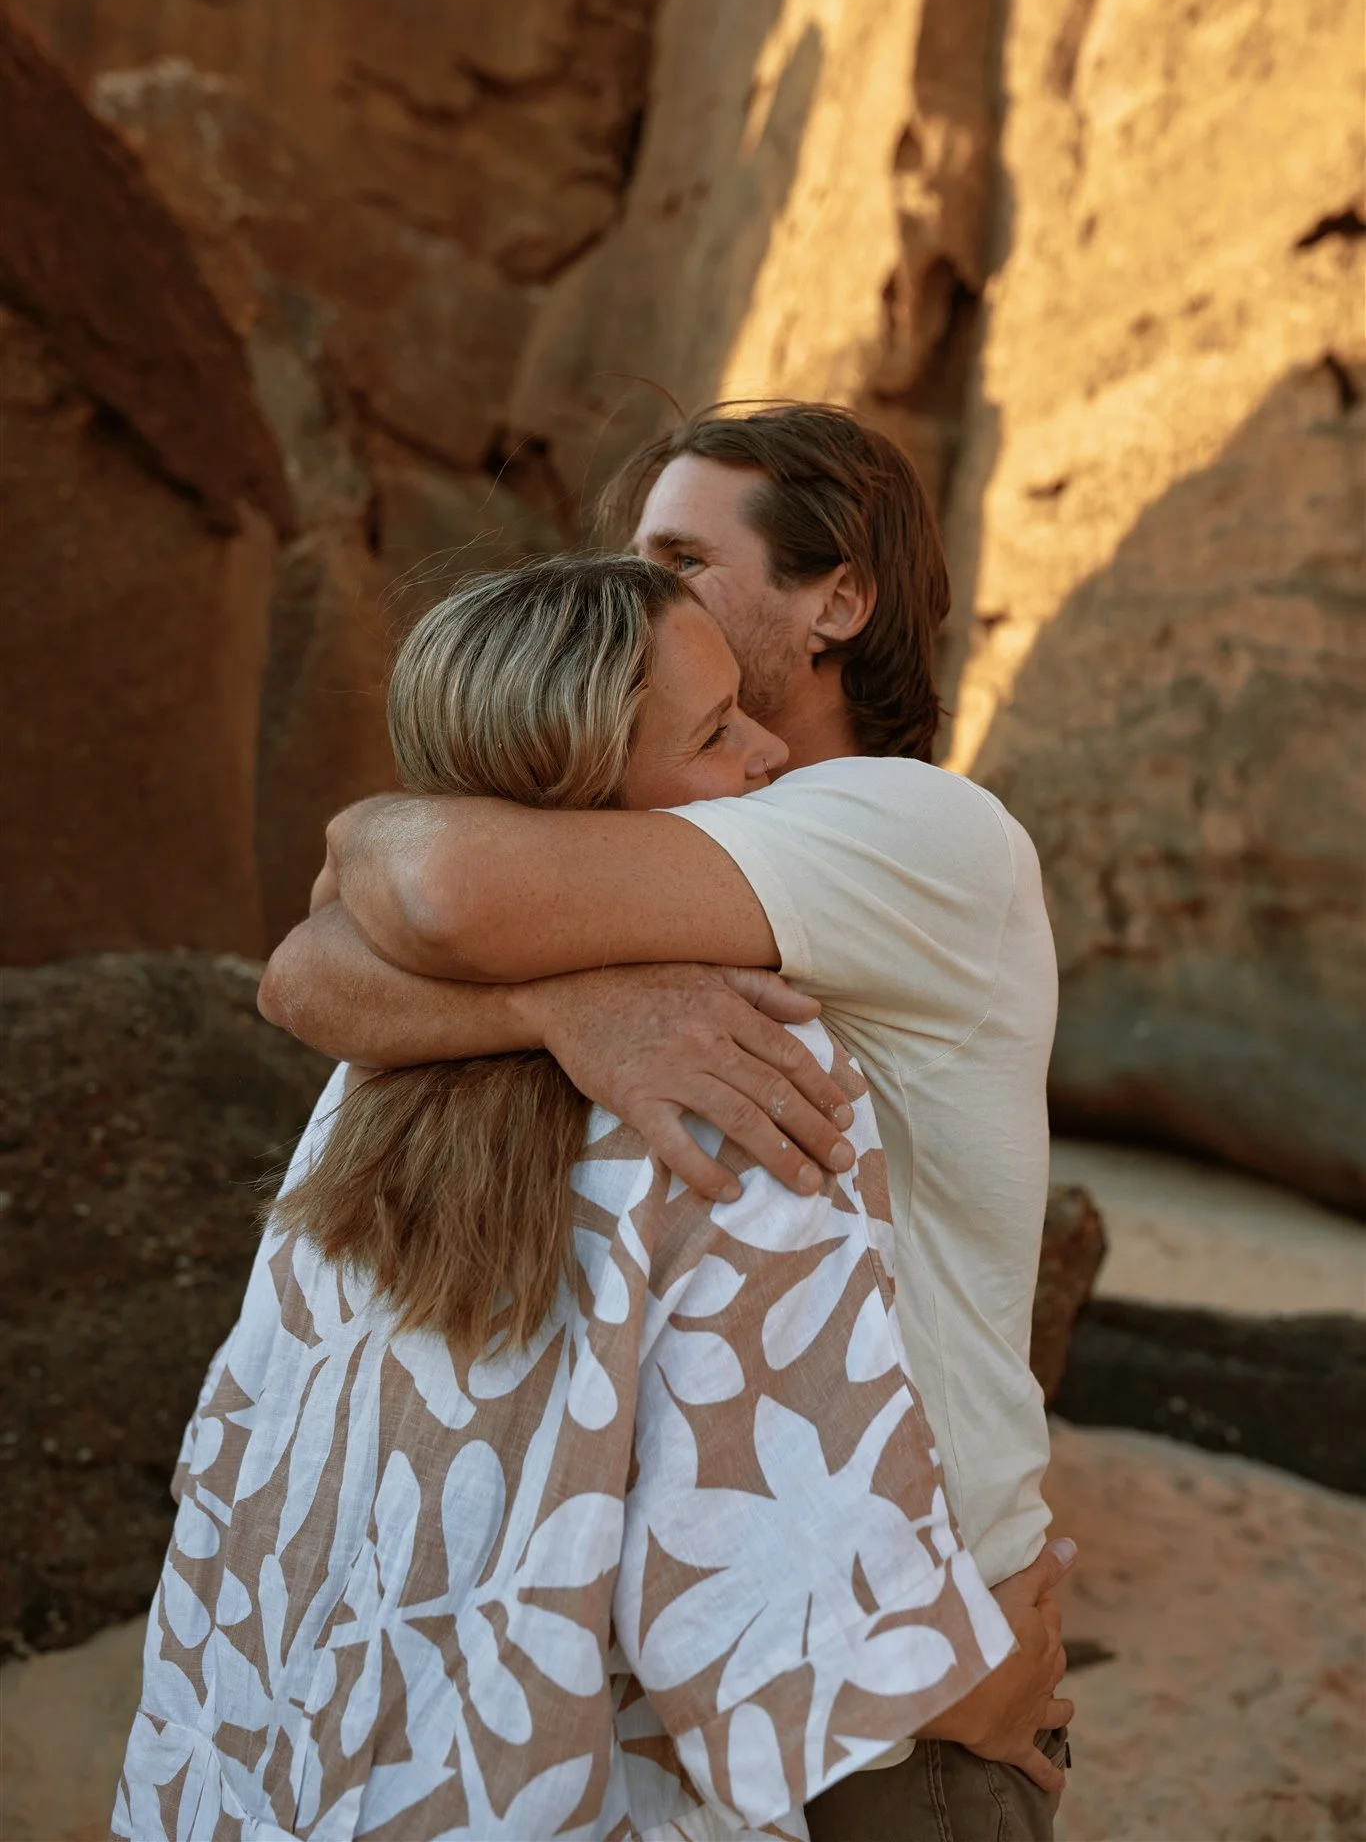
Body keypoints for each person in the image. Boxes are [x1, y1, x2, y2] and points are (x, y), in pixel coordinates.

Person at [117, 555, 1070, 1842]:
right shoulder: (737, 1088)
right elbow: (752, 1592)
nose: (770, 753)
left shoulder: (365, 1085)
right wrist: (977, 1693)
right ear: (578, 798)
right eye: (714, 729)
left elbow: (240, 1486)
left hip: (297, 1779)